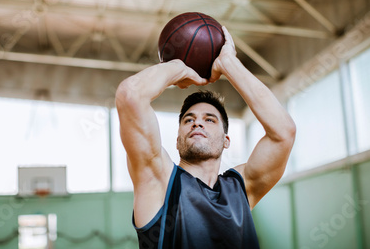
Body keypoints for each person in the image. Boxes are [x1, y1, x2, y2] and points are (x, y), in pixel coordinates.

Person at [115, 26, 296, 248]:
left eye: (210, 119)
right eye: (188, 120)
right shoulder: (158, 181)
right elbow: (130, 95)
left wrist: (229, 64)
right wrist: (178, 67)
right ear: (178, 139)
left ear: (226, 140)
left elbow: (284, 133)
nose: (197, 122)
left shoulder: (242, 188)